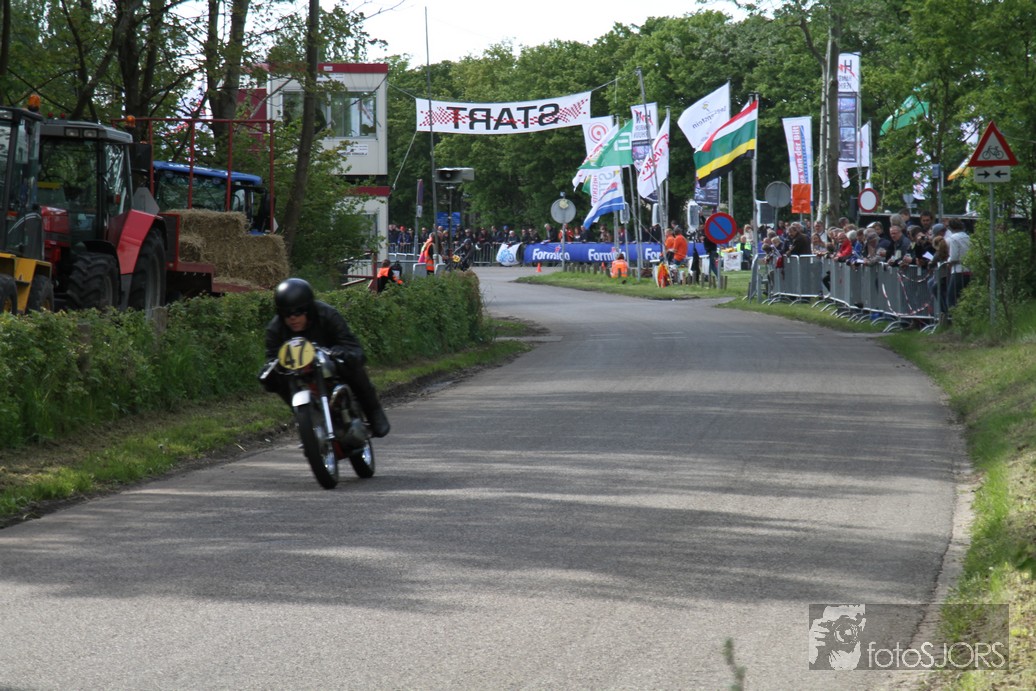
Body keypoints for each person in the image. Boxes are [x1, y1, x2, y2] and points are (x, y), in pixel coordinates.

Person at [262, 278, 390, 438]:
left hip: (331, 363)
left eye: (298, 312)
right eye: (286, 314)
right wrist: (270, 372)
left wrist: (343, 352)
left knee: (352, 365)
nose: (292, 318)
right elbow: (271, 358)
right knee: (278, 377)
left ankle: (373, 411)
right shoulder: (275, 329)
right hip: (299, 374)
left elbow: (354, 348)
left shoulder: (328, 315)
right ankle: (302, 417)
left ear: (308, 309)